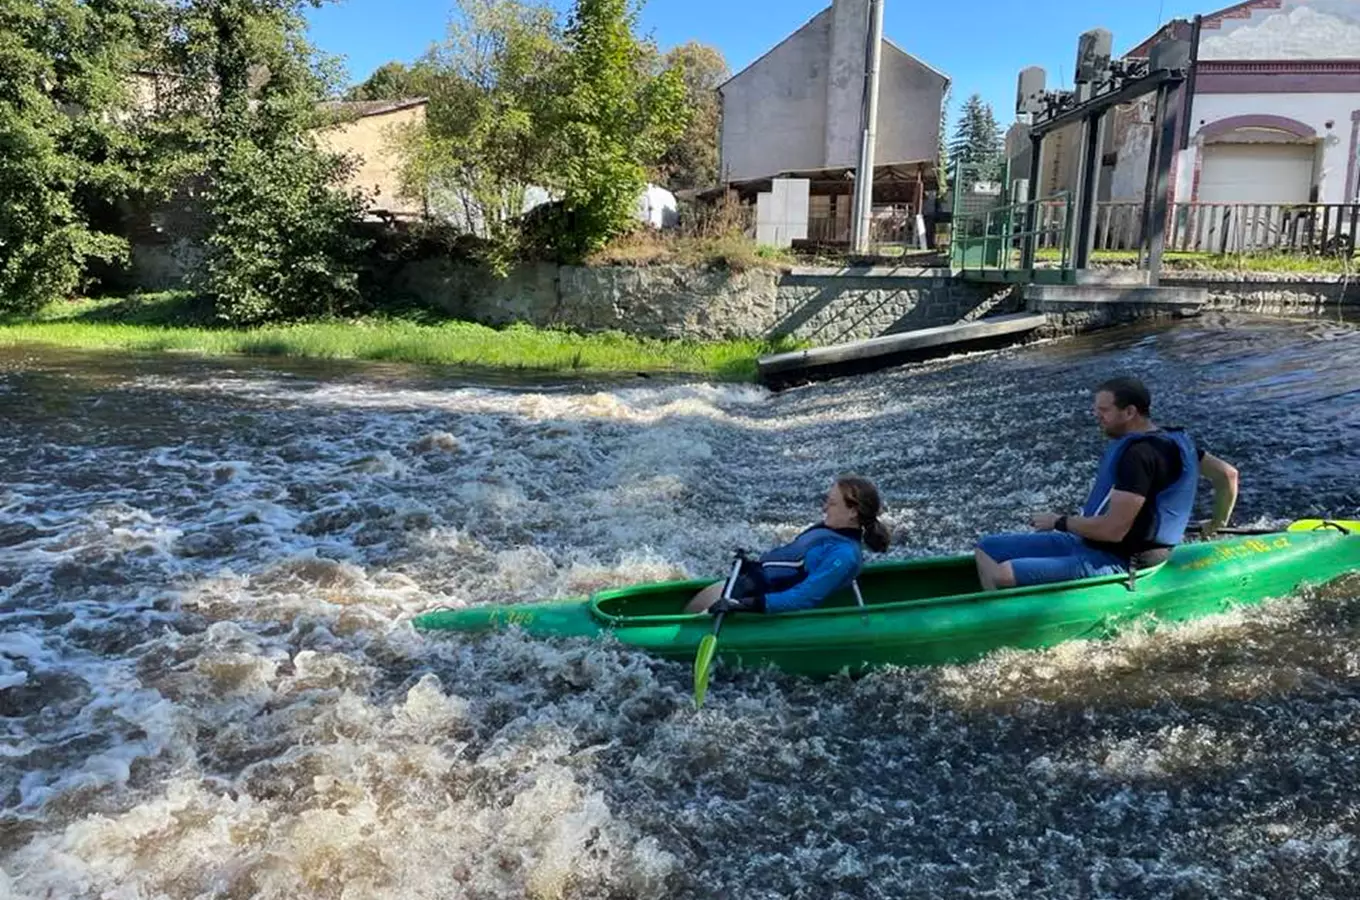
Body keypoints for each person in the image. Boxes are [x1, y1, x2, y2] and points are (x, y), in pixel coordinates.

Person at [974, 376, 1239, 591]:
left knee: (1003, 574)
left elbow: (1113, 531)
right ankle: (999, 612)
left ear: (1130, 411)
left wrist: (1058, 521)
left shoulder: (1139, 456)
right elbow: (1227, 476)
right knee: (987, 548)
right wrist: (1217, 524)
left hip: (1124, 559)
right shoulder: (1178, 443)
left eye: (1103, 410)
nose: (1096, 416)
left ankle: (1007, 624)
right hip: (1089, 542)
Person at [684, 475, 892, 615]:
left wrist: (748, 605)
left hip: (759, 601)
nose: (824, 507)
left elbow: (804, 598)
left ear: (853, 512)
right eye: (826, 500)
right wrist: (749, 564)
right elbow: (788, 560)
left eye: (832, 503)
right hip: (749, 583)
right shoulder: (827, 529)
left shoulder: (845, 555)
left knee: (686, 625)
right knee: (687, 610)